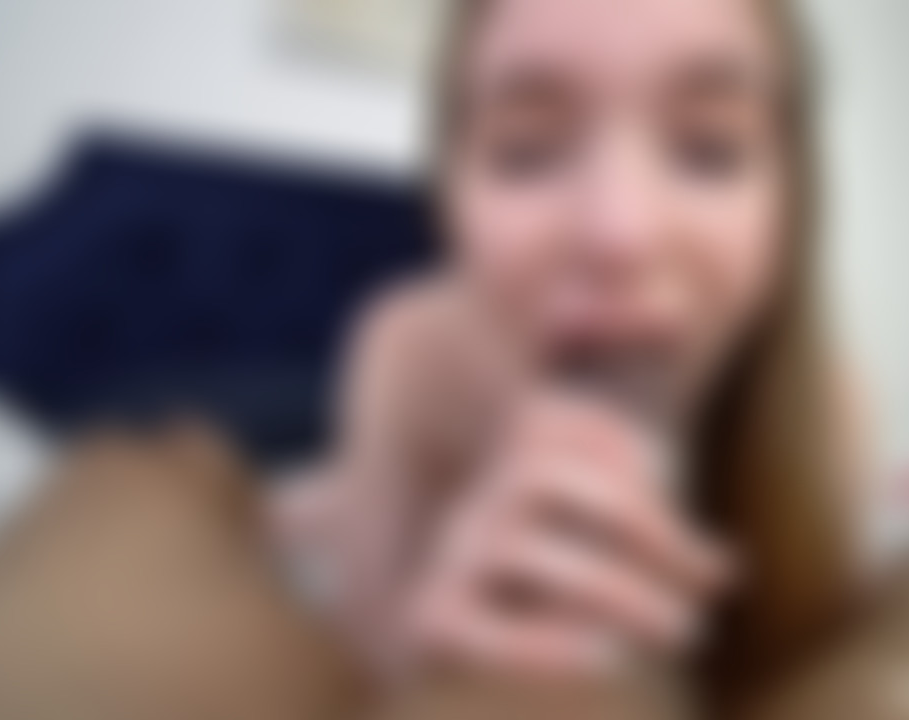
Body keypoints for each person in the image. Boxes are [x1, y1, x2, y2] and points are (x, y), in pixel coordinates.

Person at [269, 0, 866, 710]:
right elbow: (360, 654)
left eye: (709, 149)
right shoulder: (408, 350)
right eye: (528, 150)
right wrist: (428, 658)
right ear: (449, 196)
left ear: (795, 202)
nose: (619, 234)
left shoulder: (831, 412)